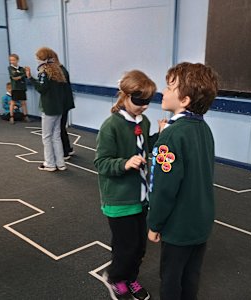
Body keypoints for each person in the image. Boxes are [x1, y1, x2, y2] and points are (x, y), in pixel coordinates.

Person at [147, 62, 219, 300]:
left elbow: (163, 188)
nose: (164, 93)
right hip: (201, 221)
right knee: (191, 277)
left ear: (185, 100)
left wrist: (155, 223)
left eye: (169, 88)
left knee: (170, 279)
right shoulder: (203, 129)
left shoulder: (171, 135)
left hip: (178, 226)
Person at [94, 70, 163, 300]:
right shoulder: (111, 126)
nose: (144, 106)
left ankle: (131, 279)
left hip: (140, 198)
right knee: (126, 247)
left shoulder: (143, 121)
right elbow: (101, 162)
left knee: (140, 247)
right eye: (139, 101)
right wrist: (125, 163)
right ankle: (114, 277)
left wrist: (159, 137)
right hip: (119, 200)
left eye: (148, 102)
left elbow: (144, 149)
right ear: (124, 96)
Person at [26, 47, 67, 172]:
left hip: (49, 108)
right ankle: (60, 163)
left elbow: (41, 89)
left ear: (42, 59)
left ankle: (50, 163)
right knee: (56, 136)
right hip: (59, 108)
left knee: (47, 137)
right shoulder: (58, 71)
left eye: (38, 58)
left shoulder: (45, 73)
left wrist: (30, 78)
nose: (37, 60)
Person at [52, 51, 75, 160]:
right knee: (61, 127)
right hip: (64, 102)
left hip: (62, 103)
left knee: (59, 127)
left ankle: (65, 151)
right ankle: (67, 148)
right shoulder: (62, 69)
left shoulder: (59, 71)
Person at [8, 53, 29, 124]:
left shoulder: (21, 68)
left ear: (17, 60)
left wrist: (23, 74)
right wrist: (22, 75)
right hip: (15, 88)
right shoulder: (10, 68)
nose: (12, 62)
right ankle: (11, 117)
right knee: (13, 102)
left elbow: (26, 76)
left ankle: (25, 116)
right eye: (11, 60)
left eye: (14, 60)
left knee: (23, 102)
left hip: (22, 87)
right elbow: (14, 76)